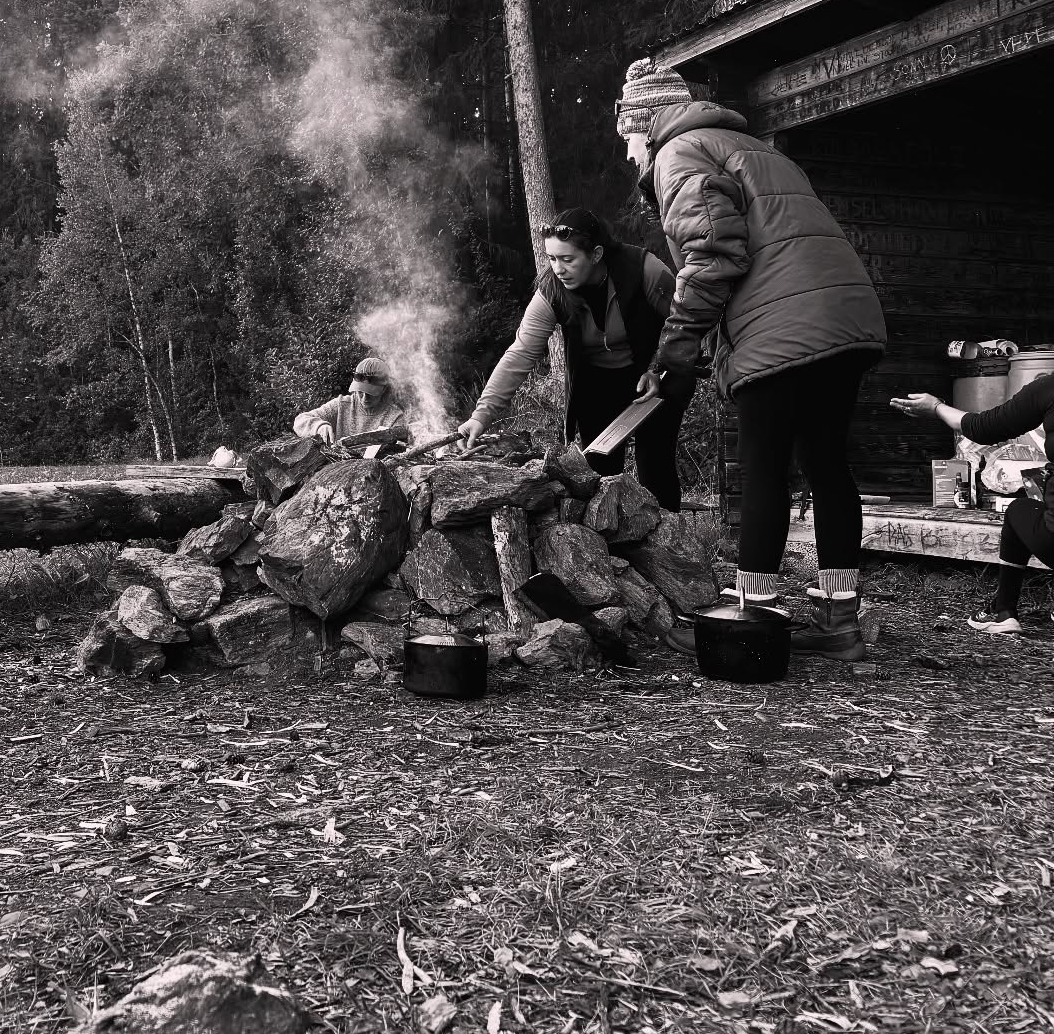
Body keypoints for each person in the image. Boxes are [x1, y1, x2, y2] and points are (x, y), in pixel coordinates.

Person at [618, 59, 887, 661]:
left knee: (762, 466)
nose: (632, 156)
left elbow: (713, 254)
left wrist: (676, 346)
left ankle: (751, 622)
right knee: (825, 463)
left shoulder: (678, 153)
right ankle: (839, 621)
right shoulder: (753, 148)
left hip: (783, 326)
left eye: (629, 140)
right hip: (847, 317)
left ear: (644, 122)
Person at [457, 208, 690, 511]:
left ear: (595, 254)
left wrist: (656, 368)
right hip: (598, 383)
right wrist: (481, 415)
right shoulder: (551, 291)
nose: (558, 268)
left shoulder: (643, 268)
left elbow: (683, 322)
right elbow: (521, 353)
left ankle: (670, 549)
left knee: (654, 465)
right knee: (597, 473)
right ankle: (611, 552)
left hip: (657, 379)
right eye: (552, 259)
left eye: (568, 259)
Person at [892, 375, 1054, 634]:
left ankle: (1004, 612)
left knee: (1018, 510)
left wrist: (935, 407)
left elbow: (982, 427)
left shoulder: (1048, 388)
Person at [294, 357, 409, 445]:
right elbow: (300, 421)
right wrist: (318, 426)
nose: (364, 398)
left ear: (384, 389)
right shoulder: (342, 405)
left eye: (371, 393)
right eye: (360, 391)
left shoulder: (395, 417)